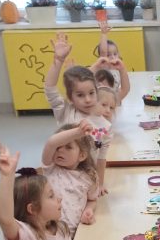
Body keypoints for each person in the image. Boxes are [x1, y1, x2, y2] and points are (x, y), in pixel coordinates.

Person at [44, 32, 111, 189]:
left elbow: (101, 159)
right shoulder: (66, 112)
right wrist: (58, 61)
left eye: (91, 93)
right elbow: (50, 89)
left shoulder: (105, 126)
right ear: (70, 97)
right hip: (59, 177)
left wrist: (99, 184)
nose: (87, 99)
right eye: (80, 95)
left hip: (84, 181)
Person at [41, 121, 99, 236]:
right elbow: (51, 143)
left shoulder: (89, 177)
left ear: (82, 155)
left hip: (74, 235)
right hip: (48, 234)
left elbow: (92, 199)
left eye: (68, 147)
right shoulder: (50, 167)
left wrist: (88, 210)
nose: (60, 150)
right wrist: (78, 132)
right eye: (58, 146)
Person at [94, 22, 130, 103]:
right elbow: (103, 52)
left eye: (115, 54)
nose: (113, 57)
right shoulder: (104, 68)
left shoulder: (118, 70)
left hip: (115, 100)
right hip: (103, 100)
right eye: (108, 55)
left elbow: (125, 89)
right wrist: (104, 34)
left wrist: (122, 69)